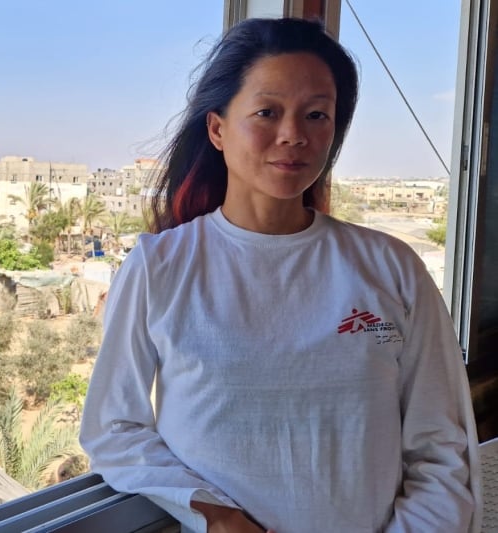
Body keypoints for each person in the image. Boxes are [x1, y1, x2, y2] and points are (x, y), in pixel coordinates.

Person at [79, 17, 480, 533]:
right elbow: (115, 429)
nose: (294, 135)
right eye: (267, 112)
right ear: (218, 129)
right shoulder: (161, 266)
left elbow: (441, 452)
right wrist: (214, 514)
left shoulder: (391, 268)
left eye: (317, 115)